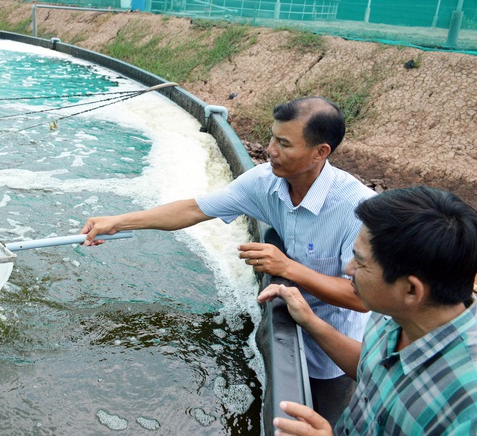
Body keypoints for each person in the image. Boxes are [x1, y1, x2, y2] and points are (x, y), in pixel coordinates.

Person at [81, 96, 376, 423]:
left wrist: (287, 268)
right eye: (271, 137)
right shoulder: (265, 182)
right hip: (289, 322)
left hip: (334, 353)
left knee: (327, 421)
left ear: (321, 152)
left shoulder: (357, 209)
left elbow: (362, 297)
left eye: (284, 143)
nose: (270, 150)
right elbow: (194, 209)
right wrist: (118, 222)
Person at [258, 186, 477, 435]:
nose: (348, 269)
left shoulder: (468, 408)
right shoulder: (394, 313)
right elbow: (373, 368)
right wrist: (310, 321)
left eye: (360, 261)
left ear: (411, 290)